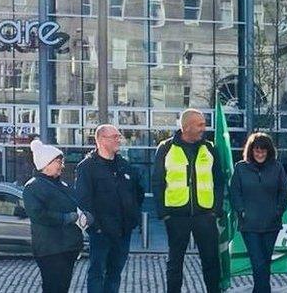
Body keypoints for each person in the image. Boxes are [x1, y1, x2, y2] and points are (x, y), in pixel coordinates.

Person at [151, 108, 226, 293]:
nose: (204, 128)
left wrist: (215, 210)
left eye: (204, 123)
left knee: (211, 261)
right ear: (186, 127)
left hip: (205, 215)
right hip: (176, 216)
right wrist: (164, 213)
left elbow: (219, 180)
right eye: (200, 124)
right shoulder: (166, 148)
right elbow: (157, 181)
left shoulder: (209, 148)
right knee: (175, 262)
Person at [75, 124, 145, 293]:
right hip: (100, 233)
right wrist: (96, 227)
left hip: (123, 231)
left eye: (118, 136)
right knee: (97, 272)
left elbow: (138, 193)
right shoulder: (87, 167)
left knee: (115, 273)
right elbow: (84, 200)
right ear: (100, 140)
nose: (118, 140)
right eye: (114, 137)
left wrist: (131, 217)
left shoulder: (124, 165)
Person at [24, 139, 87, 293]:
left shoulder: (61, 185)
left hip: (67, 246)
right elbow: (38, 215)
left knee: (62, 287)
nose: (62, 165)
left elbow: (75, 205)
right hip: (51, 249)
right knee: (54, 287)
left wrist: (84, 216)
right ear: (46, 164)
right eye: (59, 161)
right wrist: (65, 218)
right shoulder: (33, 186)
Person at [230, 132, 287, 293]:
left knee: (265, 262)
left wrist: (278, 211)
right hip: (249, 224)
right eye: (257, 150)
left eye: (263, 150)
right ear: (251, 150)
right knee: (258, 262)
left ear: (269, 151)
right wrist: (241, 210)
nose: (260, 154)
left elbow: (284, 191)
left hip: (271, 223)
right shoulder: (241, 168)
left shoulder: (276, 167)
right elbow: (235, 192)